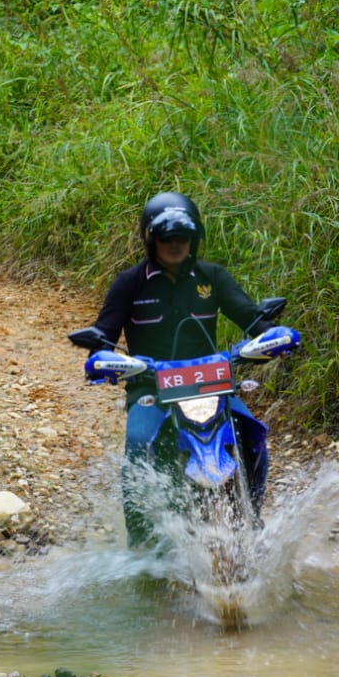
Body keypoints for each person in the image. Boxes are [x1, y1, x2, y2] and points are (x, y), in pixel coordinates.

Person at [85, 191, 277, 547]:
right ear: (151, 239)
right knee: (139, 444)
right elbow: (103, 336)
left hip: (212, 384)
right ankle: (141, 542)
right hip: (150, 389)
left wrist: (272, 335)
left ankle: (253, 518)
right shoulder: (129, 282)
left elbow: (250, 318)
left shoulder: (213, 277)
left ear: (195, 239)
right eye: (166, 237)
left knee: (252, 434)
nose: (175, 245)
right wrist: (103, 357)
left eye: (183, 238)